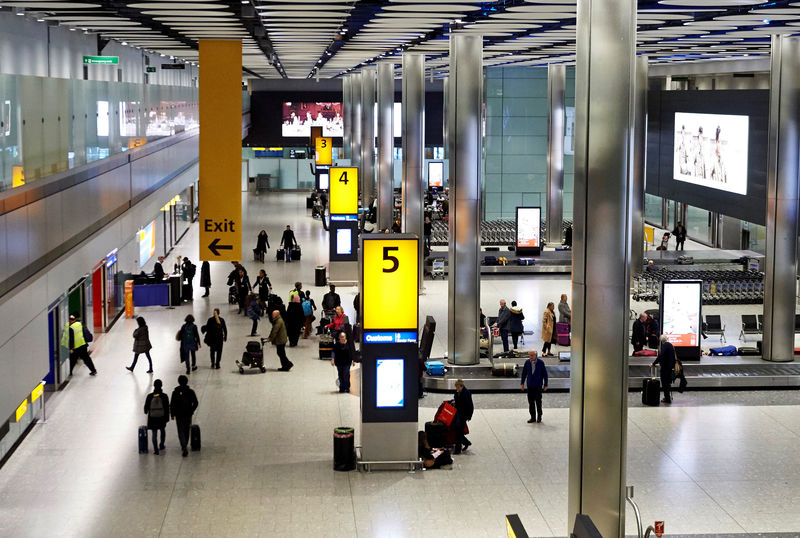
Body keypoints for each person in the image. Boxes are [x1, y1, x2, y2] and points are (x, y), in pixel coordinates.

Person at [169, 375, 198, 457]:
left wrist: (172, 414)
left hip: (179, 414)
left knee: (180, 430)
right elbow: (196, 402)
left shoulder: (175, 392)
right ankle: (185, 444)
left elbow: (172, 404)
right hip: (188, 414)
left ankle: (184, 446)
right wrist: (192, 410)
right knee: (186, 429)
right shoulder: (190, 391)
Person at [520, 351, 548, 423]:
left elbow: (545, 374)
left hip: (538, 386)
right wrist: (522, 383)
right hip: (530, 386)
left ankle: (539, 416)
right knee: (531, 402)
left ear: (536, 355)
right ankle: (533, 417)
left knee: (538, 402)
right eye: (529, 355)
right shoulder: (527, 363)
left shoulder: (540, 363)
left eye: (532, 355)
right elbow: (524, 374)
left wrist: (546, 384)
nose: (530, 357)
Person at [143, 379, 169, 454]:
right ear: (161, 385)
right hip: (161, 417)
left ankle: (155, 449)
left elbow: (146, 408)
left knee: (154, 433)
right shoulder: (164, 396)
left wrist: (146, 411)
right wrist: (167, 418)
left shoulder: (150, 396)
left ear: (154, 386)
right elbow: (167, 408)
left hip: (152, 417)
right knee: (162, 430)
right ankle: (161, 444)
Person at [651, 335, 676, 404]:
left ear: (661, 341)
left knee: (665, 383)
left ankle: (667, 398)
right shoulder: (670, 345)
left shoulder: (664, 346)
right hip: (670, 367)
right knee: (667, 382)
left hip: (665, 367)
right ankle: (667, 397)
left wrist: (653, 363)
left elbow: (661, 355)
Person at [452, 379, 473, 454]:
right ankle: (466, 442)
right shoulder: (458, 392)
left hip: (463, 415)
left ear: (461, 386)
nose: (456, 388)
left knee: (459, 432)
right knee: (458, 431)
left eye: (457, 387)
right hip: (458, 414)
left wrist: (469, 416)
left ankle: (457, 450)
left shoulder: (466, 393)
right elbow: (457, 400)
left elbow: (470, 406)